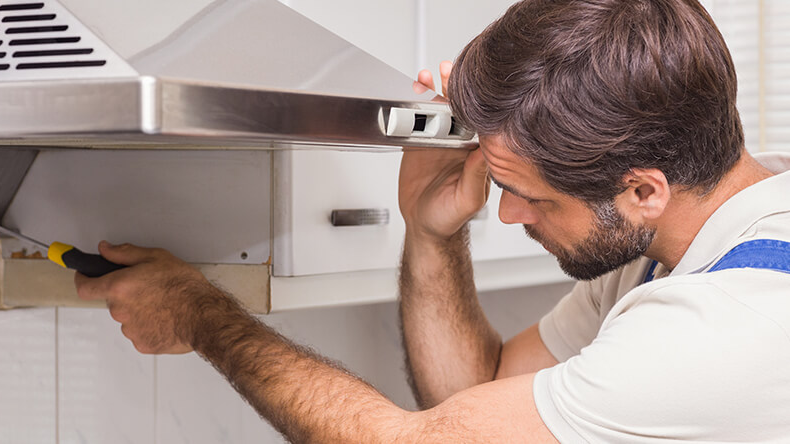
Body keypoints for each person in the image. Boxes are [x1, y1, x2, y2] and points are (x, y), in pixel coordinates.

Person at [75, 0, 790, 441]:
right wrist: (431, 231)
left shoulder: (727, 324)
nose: (508, 215)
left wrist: (203, 317)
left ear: (642, 191)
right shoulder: (672, 243)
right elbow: (476, 396)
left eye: (535, 197)